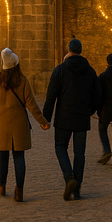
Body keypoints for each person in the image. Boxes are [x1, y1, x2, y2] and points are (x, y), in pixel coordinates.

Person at [0, 48, 50, 202]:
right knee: (19, 156)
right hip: (19, 123)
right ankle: (19, 191)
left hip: (2, 124)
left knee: (2, 155)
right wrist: (42, 122)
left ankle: (2, 186)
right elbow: (32, 104)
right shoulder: (23, 81)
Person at [43, 37, 101, 201]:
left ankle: (69, 177)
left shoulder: (60, 70)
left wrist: (45, 118)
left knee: (60, 147)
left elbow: (51, 96)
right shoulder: (90, 71)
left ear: (69, 50)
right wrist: (89, 110)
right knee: (79, 153)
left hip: (64, 117)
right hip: (81, 118)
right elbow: (97, 96)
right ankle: (77, 189)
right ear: (80, 51)